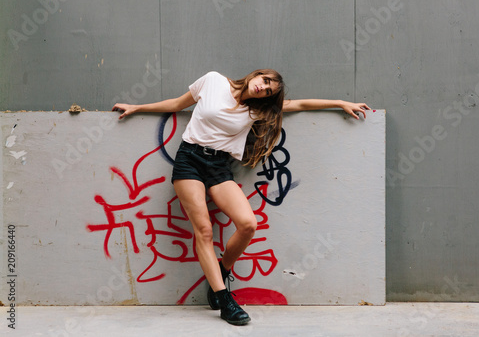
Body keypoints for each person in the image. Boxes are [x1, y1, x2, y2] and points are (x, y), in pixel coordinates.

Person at [112, 69, 371, 325]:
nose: (263, 88)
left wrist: (340, 103)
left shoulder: (256, 110)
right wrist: (137, 107)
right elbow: (178, 104)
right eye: (265, 81)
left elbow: (299, 103)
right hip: (188, 160)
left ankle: (223, 269)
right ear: (257, 75)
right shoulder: (212, 80)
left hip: (219, 166)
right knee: (203, 230)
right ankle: (224, 300)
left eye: (268, 90)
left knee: (248, 224)